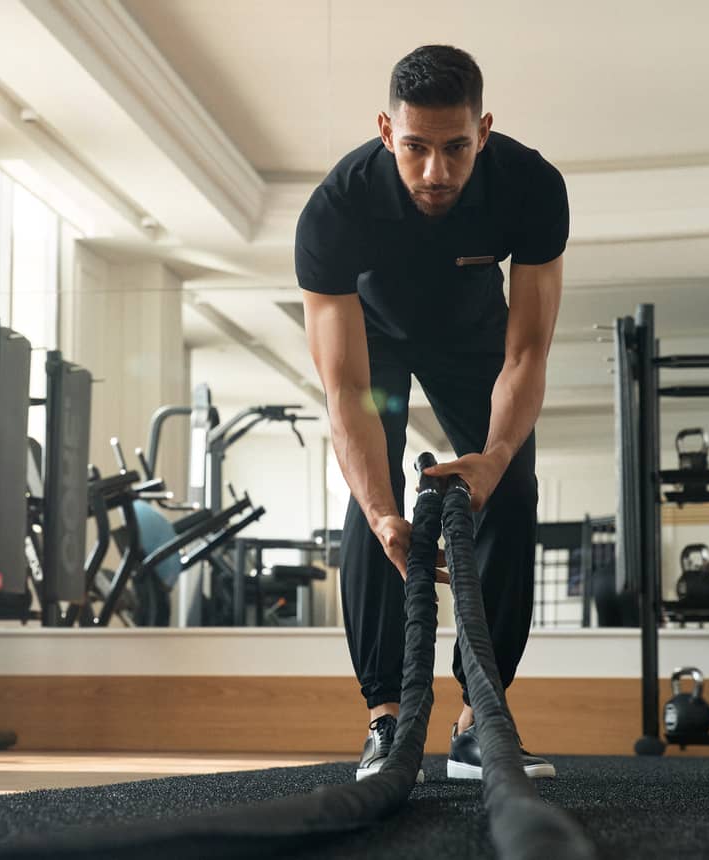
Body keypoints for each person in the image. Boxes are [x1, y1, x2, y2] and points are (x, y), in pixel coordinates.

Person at [296, 44, 567, 781]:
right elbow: (346, 391)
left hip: (475, 339)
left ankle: (481, 722)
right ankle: (386, 723)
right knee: (371, 498)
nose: (436, 172)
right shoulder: (337, 207)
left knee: (511, 489)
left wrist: (497, 455)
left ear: (484, 129)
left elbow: (528, 354)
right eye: (416, 148)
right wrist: (387, 514)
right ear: (387, 131)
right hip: (372, 341)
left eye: (456, 148)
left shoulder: (531, 186)